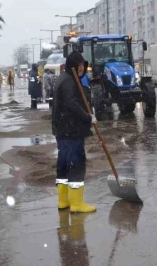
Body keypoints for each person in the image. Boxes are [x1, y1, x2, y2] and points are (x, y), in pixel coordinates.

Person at [52, 51, 97, 213]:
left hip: (63, 130)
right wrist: (87, 117)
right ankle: (77, 204)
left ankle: (63, 201)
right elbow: (72, 104)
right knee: (76, 164)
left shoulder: (62, 79)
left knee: (63, 164)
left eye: (82, 67)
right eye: (78, 66)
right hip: (72, 130)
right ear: (72, 66)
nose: (81, 69)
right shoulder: (70, 82)